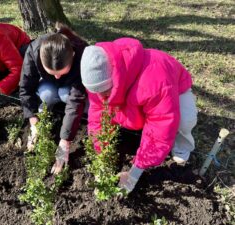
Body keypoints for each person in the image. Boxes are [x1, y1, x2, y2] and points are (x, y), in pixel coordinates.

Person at [80, 38, 198, 194]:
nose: (101, 96)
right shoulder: (98, 82)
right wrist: (102, 157)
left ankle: (181, 147)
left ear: (115, 79)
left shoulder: (155, 81)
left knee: (184, 120)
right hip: (133, 94)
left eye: (105, 91)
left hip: (173, 91)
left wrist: (134, 172)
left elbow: (160, 126)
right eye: (98, 92)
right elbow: (98, 117)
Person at [19, 23, 88, 174]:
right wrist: (33, 122)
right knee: (46, 94)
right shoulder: (34, 51)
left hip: (71, 86)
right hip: (48, 85)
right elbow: (26, 88)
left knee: (65, 94)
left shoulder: (82, 54)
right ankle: (46, 111)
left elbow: (76, 100)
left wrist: (65, 141)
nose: (57, 76)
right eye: (52, 72)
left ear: (73, 57)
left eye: (61, 72)